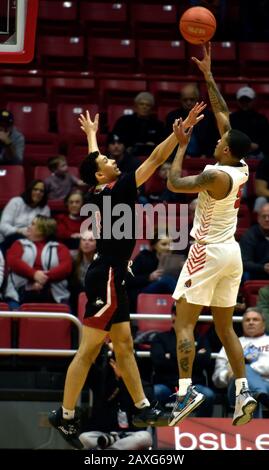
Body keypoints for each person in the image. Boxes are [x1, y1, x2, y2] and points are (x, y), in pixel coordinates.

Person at [48, 102, 206, 449]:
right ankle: (67, 413)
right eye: (107, 160)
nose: (111, 159)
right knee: (89, 351)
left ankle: (143, 408)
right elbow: (152, 161)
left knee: (124, 345)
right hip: (106, 275)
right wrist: (177, 136)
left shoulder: (101, 186)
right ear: (102, 175)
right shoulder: (117, 188)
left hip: (111, 275)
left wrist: (91, 136)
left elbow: (93, 164)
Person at [166, 42, 257, 427]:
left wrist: (181, 145)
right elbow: (222, 114)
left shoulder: (213, 175)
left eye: (219, 141)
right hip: (231, 253)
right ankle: (243, 393)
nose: (217, 140)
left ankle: (184, 391)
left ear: (225, 150)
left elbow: (172, 183)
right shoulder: (241, 167)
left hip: (206, 251)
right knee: (223, 326)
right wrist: (208, 75)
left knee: (182, 322)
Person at [5, 215, 72, 309]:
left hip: (54, 295)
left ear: (42, 230)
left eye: (33, 224)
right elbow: (13, 261)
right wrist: (34, 274)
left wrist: (44, 278)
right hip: (19, 294)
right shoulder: (19, 244)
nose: (28, 226)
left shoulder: (59, 247)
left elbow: (66, 267)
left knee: (68, 317)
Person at [213, 308, 269, 418]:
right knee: (246, 388)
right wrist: (227, 375)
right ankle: (260, 394)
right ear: (242, 323)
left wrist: (238, 370)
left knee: (248, 392)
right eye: (247, 320)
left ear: (263, 323)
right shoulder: (230, 344)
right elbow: (217, 378)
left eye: (255, 319)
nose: (251, 322)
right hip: (235, 389)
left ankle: (253, 432)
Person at [0, 179, 50, 250]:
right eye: (35, 189)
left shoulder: (45, 208)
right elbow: (3, 226)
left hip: (33, 238)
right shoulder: (16, 202)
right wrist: (19, 231)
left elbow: (43, 229)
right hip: (10, 236)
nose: (38, 192)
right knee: (19, 238)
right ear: (29, 190)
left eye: (42, 191)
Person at [112, 92, 165, 156]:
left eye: (148, 105)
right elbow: (115, 138)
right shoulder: (124, 121)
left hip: (152, 155)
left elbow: (163, 143)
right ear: (136, 106)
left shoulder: (158, 125)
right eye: (141, 104)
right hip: (127, 155)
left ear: (152, 108)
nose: (144, 107)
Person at [230, 86, 269, 160]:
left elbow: (266, 140)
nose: (245, 103)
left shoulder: (261, 119)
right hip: (236, 153)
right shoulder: (232, 118)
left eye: (247, 100)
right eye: (242, 100)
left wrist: (258, 146)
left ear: (253, 101)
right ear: (238, 101)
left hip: (257, 154)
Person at [240, 203, 269, 280]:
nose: (267, 219)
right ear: (258, 218)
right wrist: (263, 268)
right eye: (264, 216)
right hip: (255, 275)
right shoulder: (249, 236)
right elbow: (244, 262)